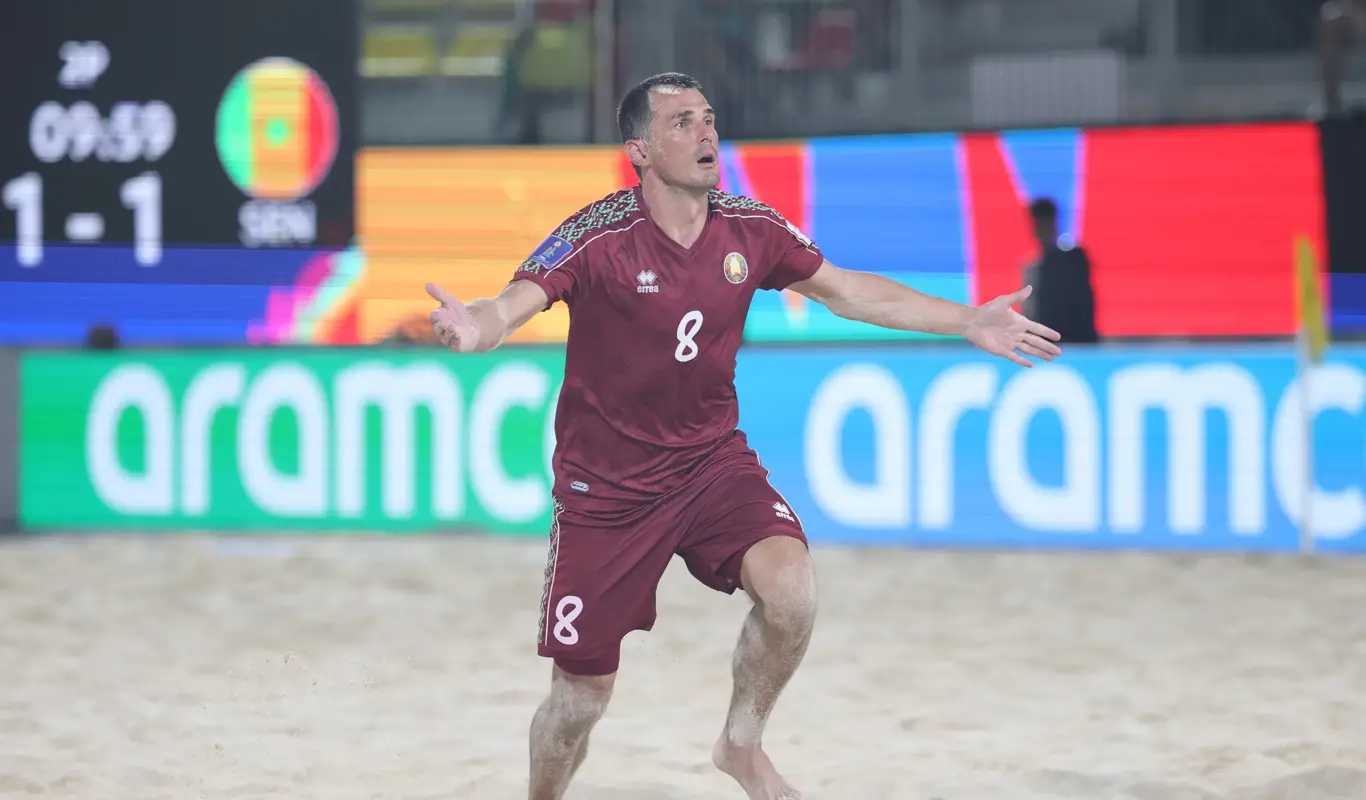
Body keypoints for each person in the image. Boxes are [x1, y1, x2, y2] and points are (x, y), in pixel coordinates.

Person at [425, 72, 1062, 800]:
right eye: (683, 123)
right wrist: (477, 326)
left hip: (708, 464)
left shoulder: (749, 226)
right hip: (607, 491)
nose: (706, 134)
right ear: (639, 150)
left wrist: (968, 320)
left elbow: (848, 290)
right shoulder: (598, 235)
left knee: (792, 592)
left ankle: (741, 743)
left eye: (709, 119)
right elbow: (514, 303)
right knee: (580, 700)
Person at [1021, 197, 1099, 345]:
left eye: (1045, 222)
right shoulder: (1031, 268)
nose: (1040, 228)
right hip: (1045, 345)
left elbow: (1083, 304)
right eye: (1038, 223)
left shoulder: (1073, 258)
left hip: (1074, 343)